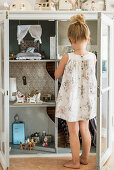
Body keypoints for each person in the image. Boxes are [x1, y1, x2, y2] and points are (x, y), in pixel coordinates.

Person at [54, 14, 97, 169]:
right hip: (86, 100)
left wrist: (60, 66)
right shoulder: (92, 57)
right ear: (88, 38)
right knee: (85, 129)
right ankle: (84, 158)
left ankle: (75, 162)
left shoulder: (67, 57)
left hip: (71, 101)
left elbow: (57, 75)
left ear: (70, 40)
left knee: (73, 132)